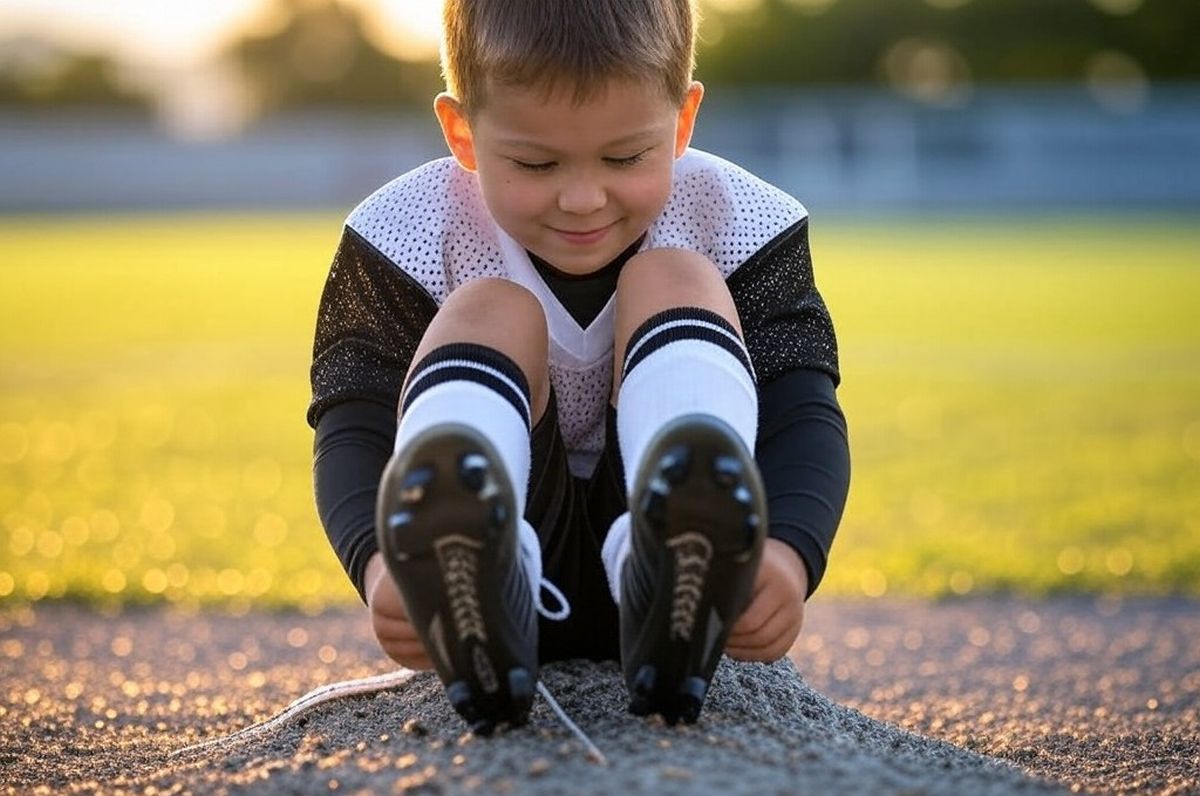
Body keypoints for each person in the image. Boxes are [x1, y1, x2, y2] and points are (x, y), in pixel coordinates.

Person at [309, 0, 850, 734]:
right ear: (461, 131)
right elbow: (356, 422)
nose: (582, 197)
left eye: (625, 158)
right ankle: (467, 552)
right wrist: (382, 567)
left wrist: (786, 554)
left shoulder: (742, 218)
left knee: (677, 278)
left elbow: (801, 409)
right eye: (535, 163)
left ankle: (680, 531)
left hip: (699, 589)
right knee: (488, 309)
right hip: (500, 587)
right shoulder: (402, 231)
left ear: (683, 120)